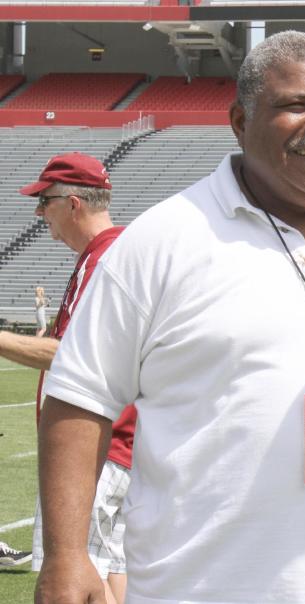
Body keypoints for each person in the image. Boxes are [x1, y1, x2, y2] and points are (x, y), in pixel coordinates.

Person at [35, 31, 305, 604]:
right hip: (197, 590)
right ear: (240, 121)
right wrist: (68, 557)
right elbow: (80, 401)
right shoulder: (159, 241)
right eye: (297, 105)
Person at [0, 152, 135, 604]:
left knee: (71, 580)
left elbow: (71, 356)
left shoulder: (106, 259)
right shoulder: (107, 254)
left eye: (45, 201)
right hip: (115, 445)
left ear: (73, 202)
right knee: (111, 578)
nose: (39, 214)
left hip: (97, 446)